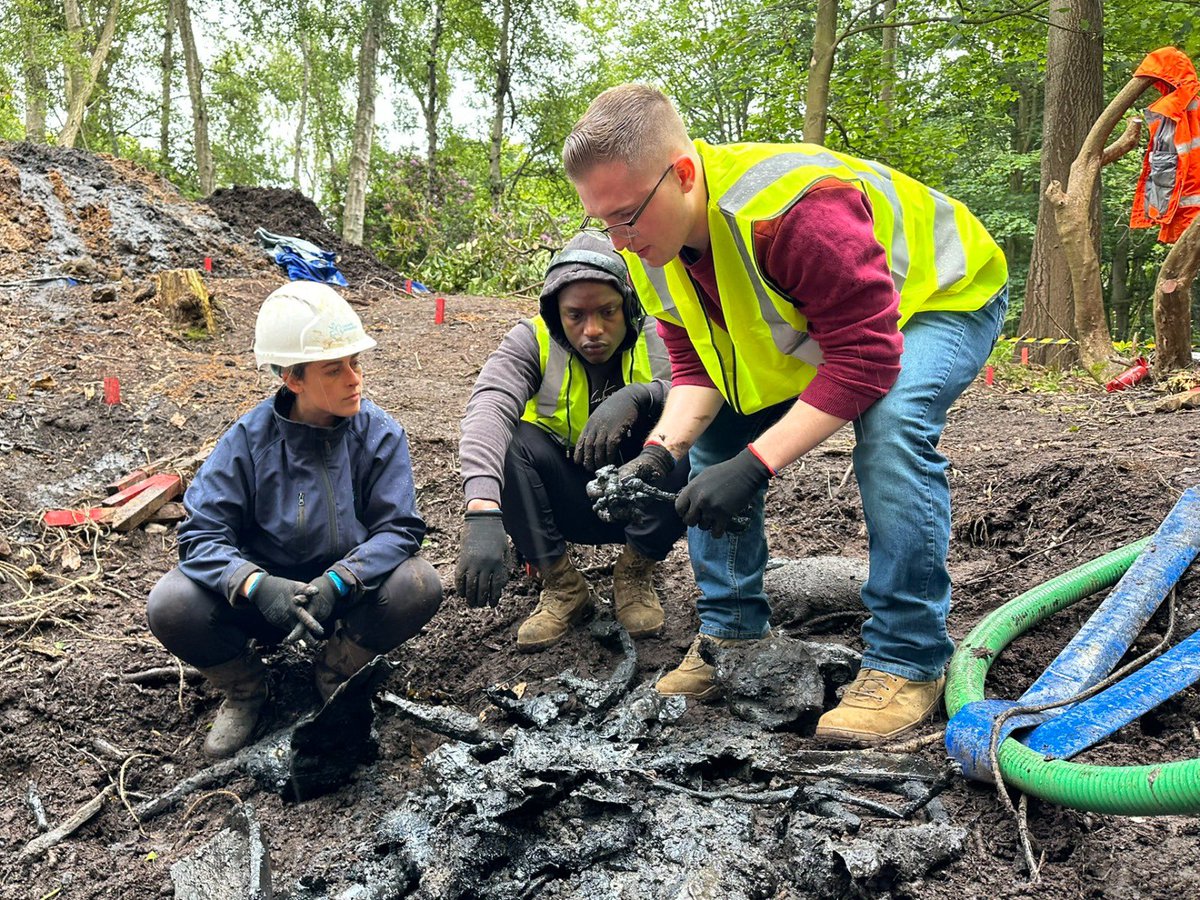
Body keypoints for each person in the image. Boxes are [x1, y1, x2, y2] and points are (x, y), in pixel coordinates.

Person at [563, 84, 1009, 745]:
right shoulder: (648, 247)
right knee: (715, 431)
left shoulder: (794, 212)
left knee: (890, 432)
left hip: (936, 297)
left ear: (683, 174)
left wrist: (756, 463)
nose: (619, 242)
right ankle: (731, 634)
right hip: (831, 323)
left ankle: (910, 658)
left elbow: (865, 359)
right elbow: (699, 370)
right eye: (603, 222)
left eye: (627, 217)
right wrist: (660, 453)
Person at [146, 281, 442, 758]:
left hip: (346, 600)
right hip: (263, 605)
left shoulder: (380, 435)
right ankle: (246, 690)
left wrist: (341, 582)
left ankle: (337, 669)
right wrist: (256, 585)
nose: (354, 379)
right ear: (293, 379)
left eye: (356, 363)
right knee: (172, 603)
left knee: (420, 582)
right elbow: (202, 533)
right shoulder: (248, 441)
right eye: (334, 368)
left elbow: (399, 529)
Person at [456, 231, 689, 650]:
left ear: (629, 306)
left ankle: (635, 574)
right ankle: (563, 587)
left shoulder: (660, 334)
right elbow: (488, 407)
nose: (593, 330)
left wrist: (644, 394)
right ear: (555, 314)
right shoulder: (532, 340)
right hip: (564, 497)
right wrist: (482, 509)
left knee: (688, 435)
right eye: (575, 315)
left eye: (608, 311)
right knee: (508, 442)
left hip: (642, 494)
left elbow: (702, 396)